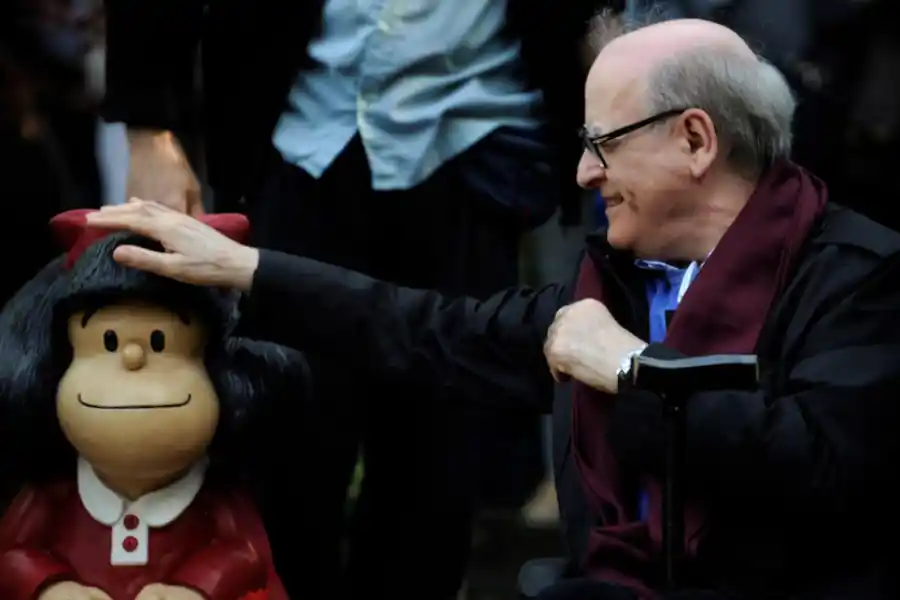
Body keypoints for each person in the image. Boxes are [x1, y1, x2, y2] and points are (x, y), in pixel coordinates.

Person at [87, 17, 900, 600]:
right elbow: (424, 329)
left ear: (694, 141)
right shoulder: (615, 285)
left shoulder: (858, 276)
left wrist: (631, 369)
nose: (583, 174)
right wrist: (245, 269)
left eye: (603, 143)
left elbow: (824, 470)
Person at [100, 2, 619, 596]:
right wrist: (148, 129)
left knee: (437, 471)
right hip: (296, 132)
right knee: (286, 454)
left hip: (473, 135)